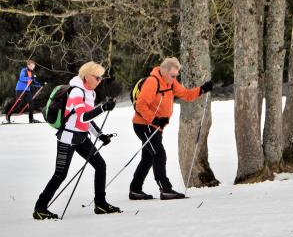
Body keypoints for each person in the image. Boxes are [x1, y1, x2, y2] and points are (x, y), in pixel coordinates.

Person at [33, 61, 120, 219]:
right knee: (60, 174)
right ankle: (40, 208)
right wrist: (102, 108)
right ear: (87, 77)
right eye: (97, 78)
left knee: (100, 165)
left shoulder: (90, 93)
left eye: (101, 78)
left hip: (81, 137)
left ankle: (100, 204)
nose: (100, 81)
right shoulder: (76, 92)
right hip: (67, 137)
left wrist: (100, 136)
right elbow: (82, 116)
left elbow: (85, 121)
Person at [129, 57, 213, 200]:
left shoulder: (171, 82)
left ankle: (135, 189)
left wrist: (203, 89)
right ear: (163, 71)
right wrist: (155, 119)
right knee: (159, 154)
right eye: (173, 75)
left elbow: (186, 94)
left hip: (156, 126)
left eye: (176, 76)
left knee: (148, 158)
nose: (174, 78)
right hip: (144, 125)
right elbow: (140, 105)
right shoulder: (152, 82)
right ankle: (165, 189)